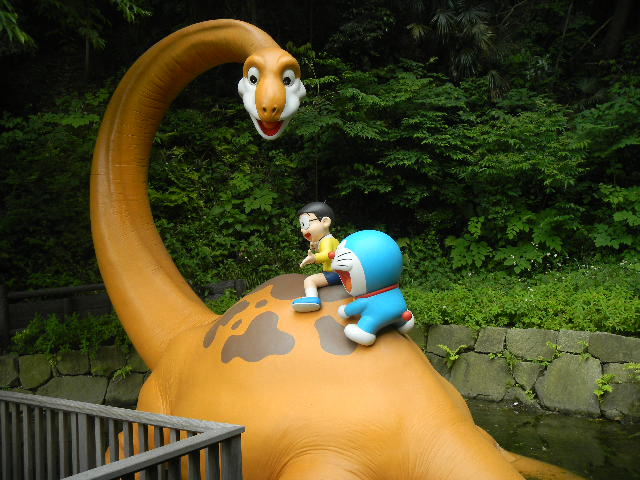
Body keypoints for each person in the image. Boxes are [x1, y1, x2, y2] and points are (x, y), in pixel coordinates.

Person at [292, 202, 340, 312]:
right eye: (302, 225)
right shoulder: (327, 240)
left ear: (325, 222)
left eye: (306, 224)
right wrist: (316, 247)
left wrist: (314, 258)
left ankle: (312, 299)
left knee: (310, 280)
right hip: (336, 272)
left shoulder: (327, 240)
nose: (302, 230)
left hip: (335, 273)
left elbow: (327, 254)